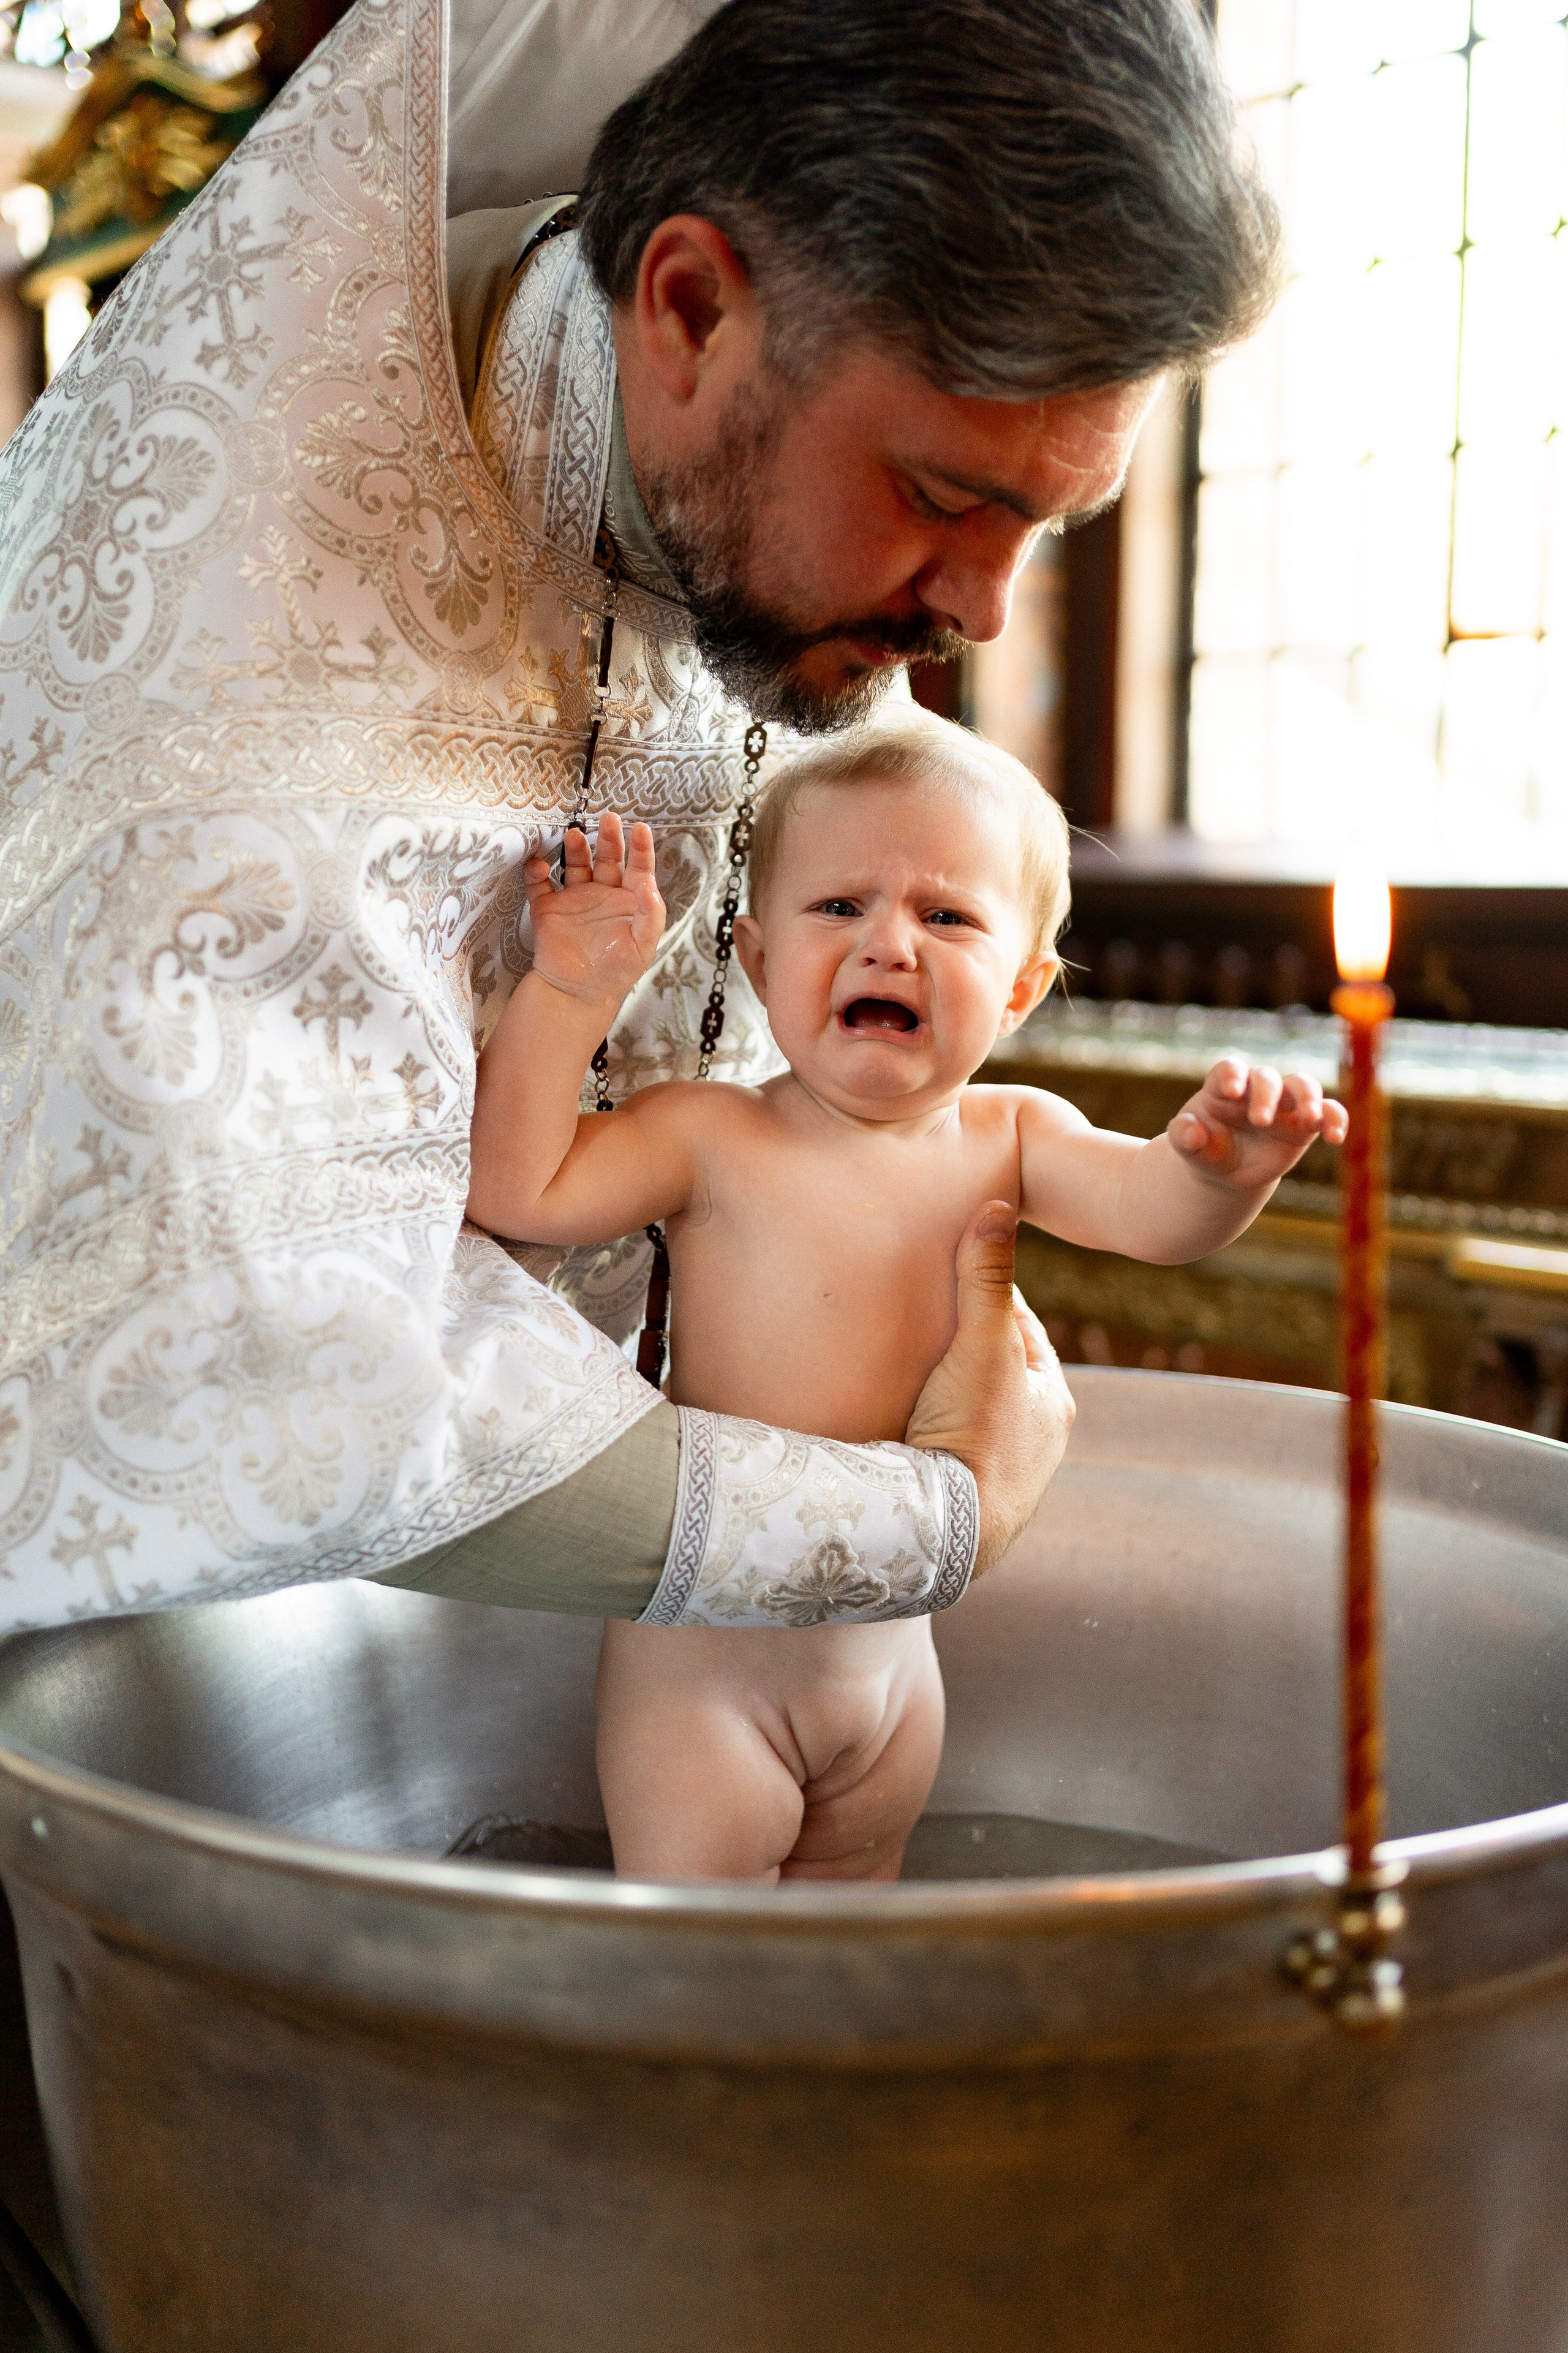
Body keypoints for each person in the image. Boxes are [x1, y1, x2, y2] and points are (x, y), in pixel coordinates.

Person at [0, 0, 1280, 1635]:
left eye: (1049, 520)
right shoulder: (239, 657)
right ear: (686, 309)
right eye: (948, 497)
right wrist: (926, 1518)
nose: (986, 612)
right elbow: (295, 1375)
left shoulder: (738, 508)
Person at [466, 716, 1346, 1881]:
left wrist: (1221, 1170)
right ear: (761, 960)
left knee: (849, 1975)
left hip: (891, 1683)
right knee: (698, 1987)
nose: (890, 943)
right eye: (840, 907)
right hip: (705, 1677)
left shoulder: (1015, 1134)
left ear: (1023, 986)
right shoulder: (712, 1136)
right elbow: (520, 1186)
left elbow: (1150, 1216)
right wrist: (572, 989)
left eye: (947, 915)